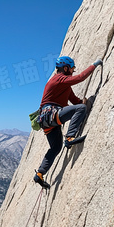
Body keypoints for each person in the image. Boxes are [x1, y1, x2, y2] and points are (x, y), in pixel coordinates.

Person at [33, 56, 102, 189]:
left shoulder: (64, 85)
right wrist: (94, 65)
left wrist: (83, 102)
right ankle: (70, 137)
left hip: (47, 121)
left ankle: (40, 174)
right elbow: (80, 78)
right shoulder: (59, 79)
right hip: (52, 115)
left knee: (55, 148)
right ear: (65, 68)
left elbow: (75, 102)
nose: (73, 71)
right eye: (72, 68)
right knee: (81, 109)